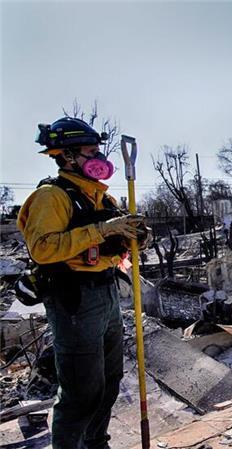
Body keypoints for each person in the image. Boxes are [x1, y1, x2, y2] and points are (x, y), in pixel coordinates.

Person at [17, 117, 148, 449]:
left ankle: (95, 443)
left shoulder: (102, 199)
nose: (99, 158)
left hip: (105, 292)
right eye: (91, 152)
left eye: (98, 151)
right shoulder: (52, 196)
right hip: (74, 298)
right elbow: (43, 248)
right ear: (69, 156)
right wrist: (104, 230)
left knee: (109, 382)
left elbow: (117, 246)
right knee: (81, 392)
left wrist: (137, 237)